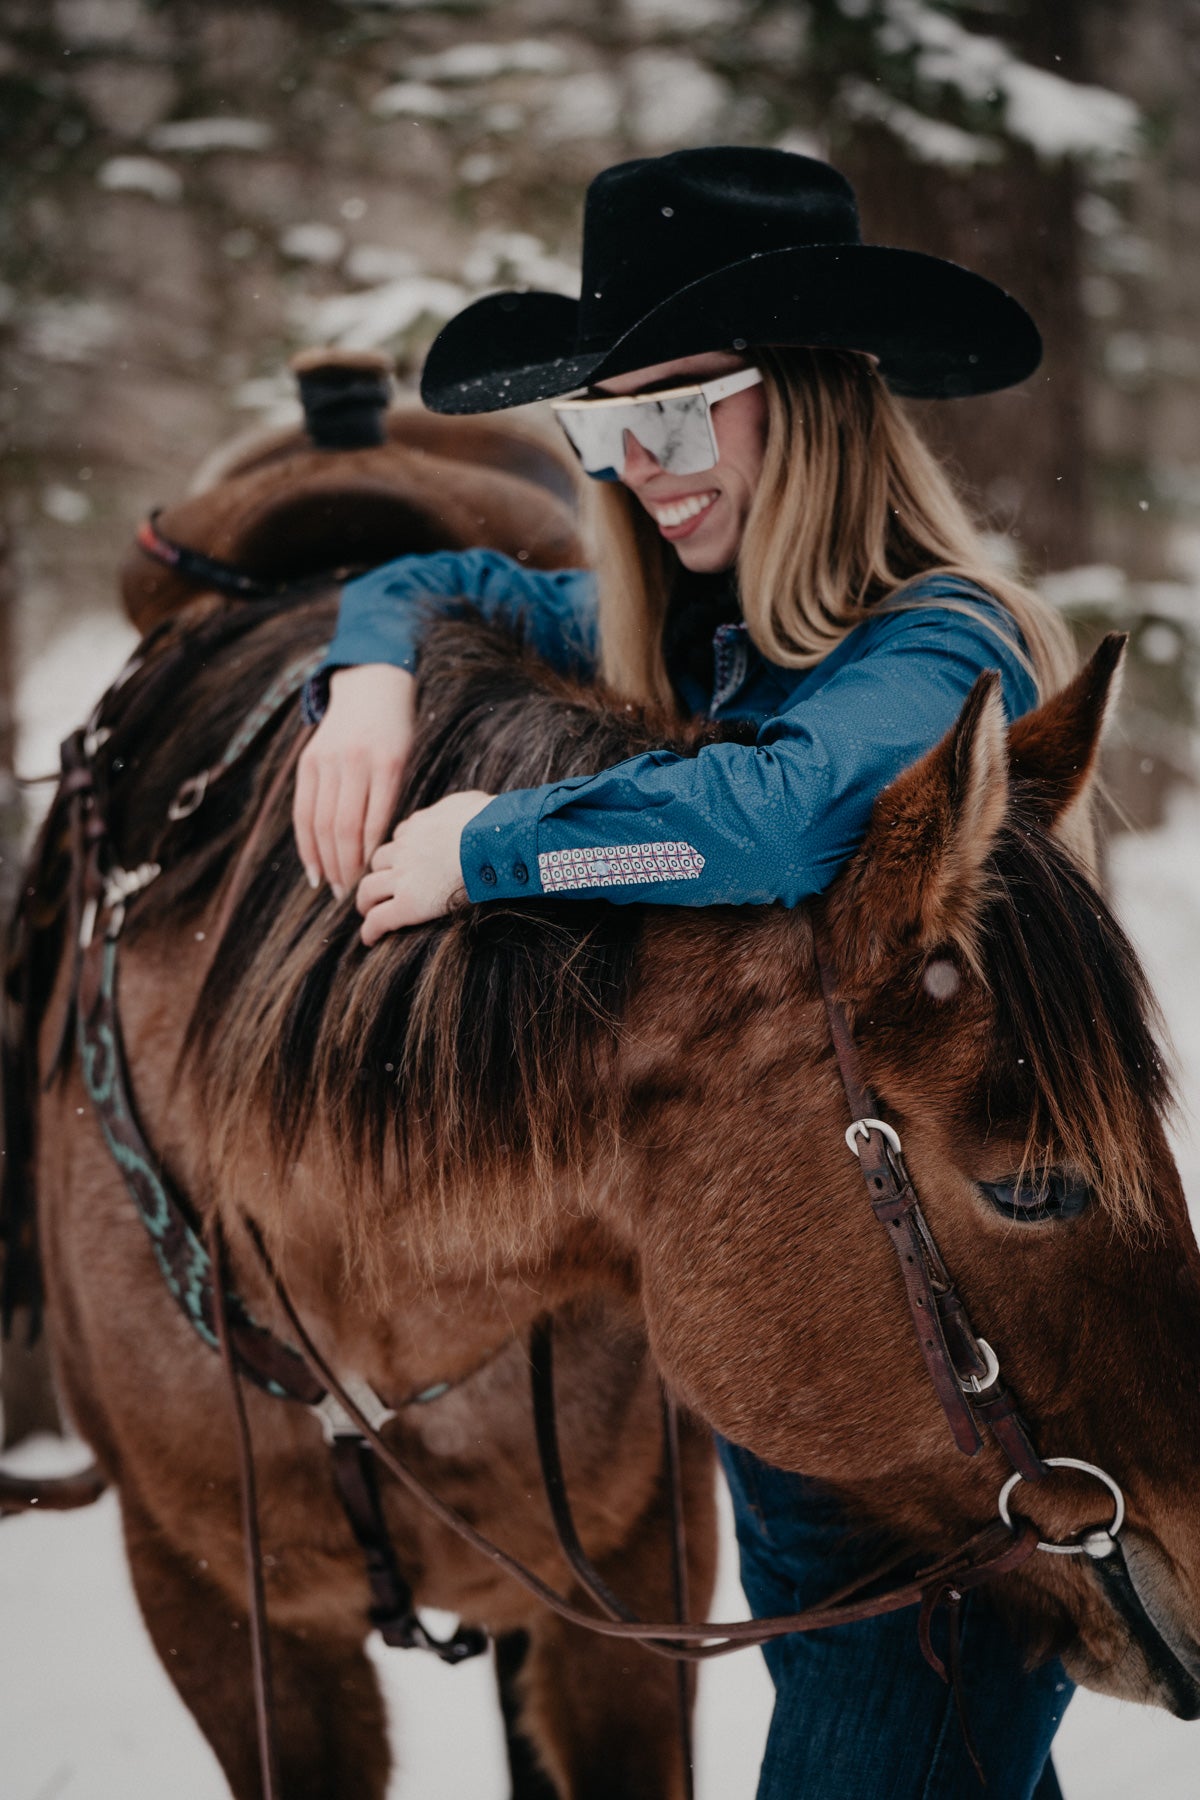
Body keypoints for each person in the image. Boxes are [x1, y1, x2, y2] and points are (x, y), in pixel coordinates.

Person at [292, 147, 1076, 1797]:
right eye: (604, 427)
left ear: (807, 396)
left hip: (953, 1407)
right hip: (807, 1387)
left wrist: (483, 847)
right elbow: (435, 582)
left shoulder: (943, 639)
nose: (639, 469)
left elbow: (778, 820)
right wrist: (368, 682)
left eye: (677, 412)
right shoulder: (695, 628)